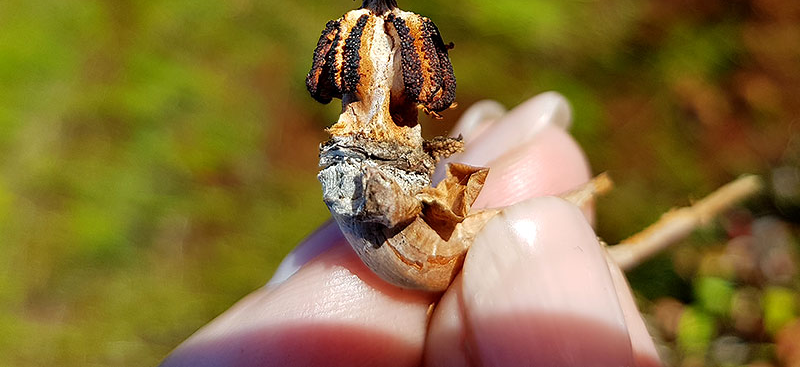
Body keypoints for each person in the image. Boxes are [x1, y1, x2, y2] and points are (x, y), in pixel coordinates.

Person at [161, 92, 663, 367]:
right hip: (413, 240)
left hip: (422, 239)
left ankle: (579, 195)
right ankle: (577, 196)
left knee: (537, 204)